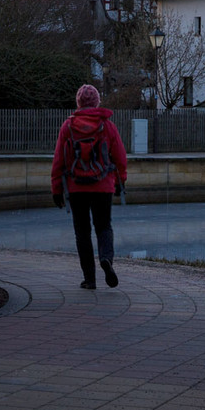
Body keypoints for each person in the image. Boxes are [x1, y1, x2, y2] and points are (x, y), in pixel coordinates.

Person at [51, 84, 128, 290]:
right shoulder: (107, 126)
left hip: (77, 187)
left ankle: (89, 279)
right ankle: (106, 259)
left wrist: (56, 188)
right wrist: (121, 181)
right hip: (103, 186)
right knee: (103, 226)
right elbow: (120, 157)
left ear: (78, 102)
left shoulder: (68, 127)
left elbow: (58, 160)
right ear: (97, 102)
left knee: (82, 232)